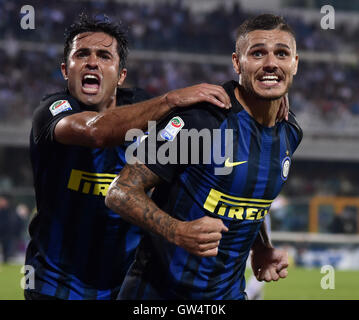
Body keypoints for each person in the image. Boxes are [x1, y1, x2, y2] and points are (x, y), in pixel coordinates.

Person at [25, 14, 233, 300]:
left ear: (121, 74)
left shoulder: (146, 108)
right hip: (55, 285)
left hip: (126, 288)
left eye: (104, 56)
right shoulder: (51, 111)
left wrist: (266, 100)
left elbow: (212, 130)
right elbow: (96, 132)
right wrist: (171, 100)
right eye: (81, 54)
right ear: (65, 69)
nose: (92, 62)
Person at [105, 14, 301, 299]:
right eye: (257, 53)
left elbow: (247, 201)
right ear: (237, 63)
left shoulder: (290, 132)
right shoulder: (201, 119)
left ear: (295, 64)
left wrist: (261, 247)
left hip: (229, 295)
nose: (271, 63)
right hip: (156, 294)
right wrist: (177, 231)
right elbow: (120, 191)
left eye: (281, 54)